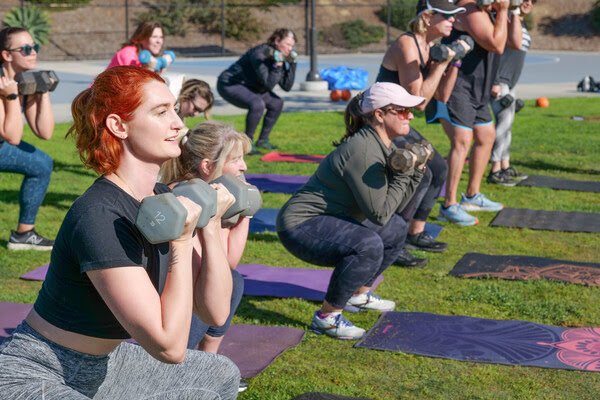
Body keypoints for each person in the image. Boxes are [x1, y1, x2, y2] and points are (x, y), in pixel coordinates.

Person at [0, 66, 240, 399]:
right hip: (40, 371)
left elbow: (213, 312)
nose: (179, 124)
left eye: (174, 109)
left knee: (220, 373)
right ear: (119, 125)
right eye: (161, 112)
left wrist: (211, 225)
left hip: (107, 364)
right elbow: (169, 348)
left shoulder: (162, 199)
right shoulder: (99, 216)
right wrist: (182, 243)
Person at [276, 82, 426, 340]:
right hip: (301, 226)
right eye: (402, 110)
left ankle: (359, 295)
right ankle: (327, 317)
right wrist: (404, 175)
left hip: (332, 218)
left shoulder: (383, 144)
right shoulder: (364, 151)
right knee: (368, 244)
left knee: (397, 230)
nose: (410, 115)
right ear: (379, 114)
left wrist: (414, 173)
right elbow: (379, 214)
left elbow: (393, 210)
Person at [160, 121, 251, 392]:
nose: (244, 166)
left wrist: (245, 211)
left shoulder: (213, 195)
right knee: (211, 285)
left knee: (232, 280)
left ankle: (206, 364)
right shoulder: (187, 199)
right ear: (208, 167)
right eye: (236, 160)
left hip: (186, 296)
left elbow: (230, 263)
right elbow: (207, 269)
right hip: (166, 303)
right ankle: (175, 370)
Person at [376, 0, 468, 266]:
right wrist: (440, 65)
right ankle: (394, 240)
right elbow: (417, 100)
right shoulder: (408, 44)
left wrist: (453, 64)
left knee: (439, 168)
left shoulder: (429, 46)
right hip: (379, 123)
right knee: (421, 172)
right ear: (428, 17)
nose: (453, 21)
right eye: (447, 16)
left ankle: (416, 232)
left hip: (399, 121)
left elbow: (442, 96)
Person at [428, 0, 510, 226]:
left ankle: (472, 196)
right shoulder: (469, 9)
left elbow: (512, 41)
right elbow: (497, 44)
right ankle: (449, 204)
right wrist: (502, 11)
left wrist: (507, 11)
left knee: (486, 136)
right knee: (462, 141)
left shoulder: (485, 11)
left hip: (478, 87)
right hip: (459, 86)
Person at [0, 27, 54, 250]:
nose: (33, 52)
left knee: (42, 164)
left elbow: (45, 132)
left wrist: (43, 93)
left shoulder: (27, 81)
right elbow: (12, 136)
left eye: (35, 47)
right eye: (25, 49)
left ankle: (24, 234)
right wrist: (12, 96)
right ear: (6, 55)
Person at [217, 28, 297, 154]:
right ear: (277, 41)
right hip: (230, 84)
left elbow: (287, 87)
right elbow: (269, 83)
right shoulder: (260, 54)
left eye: (292, 46)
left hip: (252, 86)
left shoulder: (278, 57)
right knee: (257, 104)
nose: (290, 49)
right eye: (287, 44)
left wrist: (292, 64)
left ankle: (263, 141)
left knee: (277, 103)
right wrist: (277, 67)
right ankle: (246, 144)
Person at [488, 0, 535, 185]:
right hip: (500, 81)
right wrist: (495, 81)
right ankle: (495, 170)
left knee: (507, 126)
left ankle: (505, 166)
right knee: (501, 126)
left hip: (510, 82)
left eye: (532, 1)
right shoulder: (506, 18)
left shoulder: (518, 21)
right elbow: (497, 51)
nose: (528, 3)